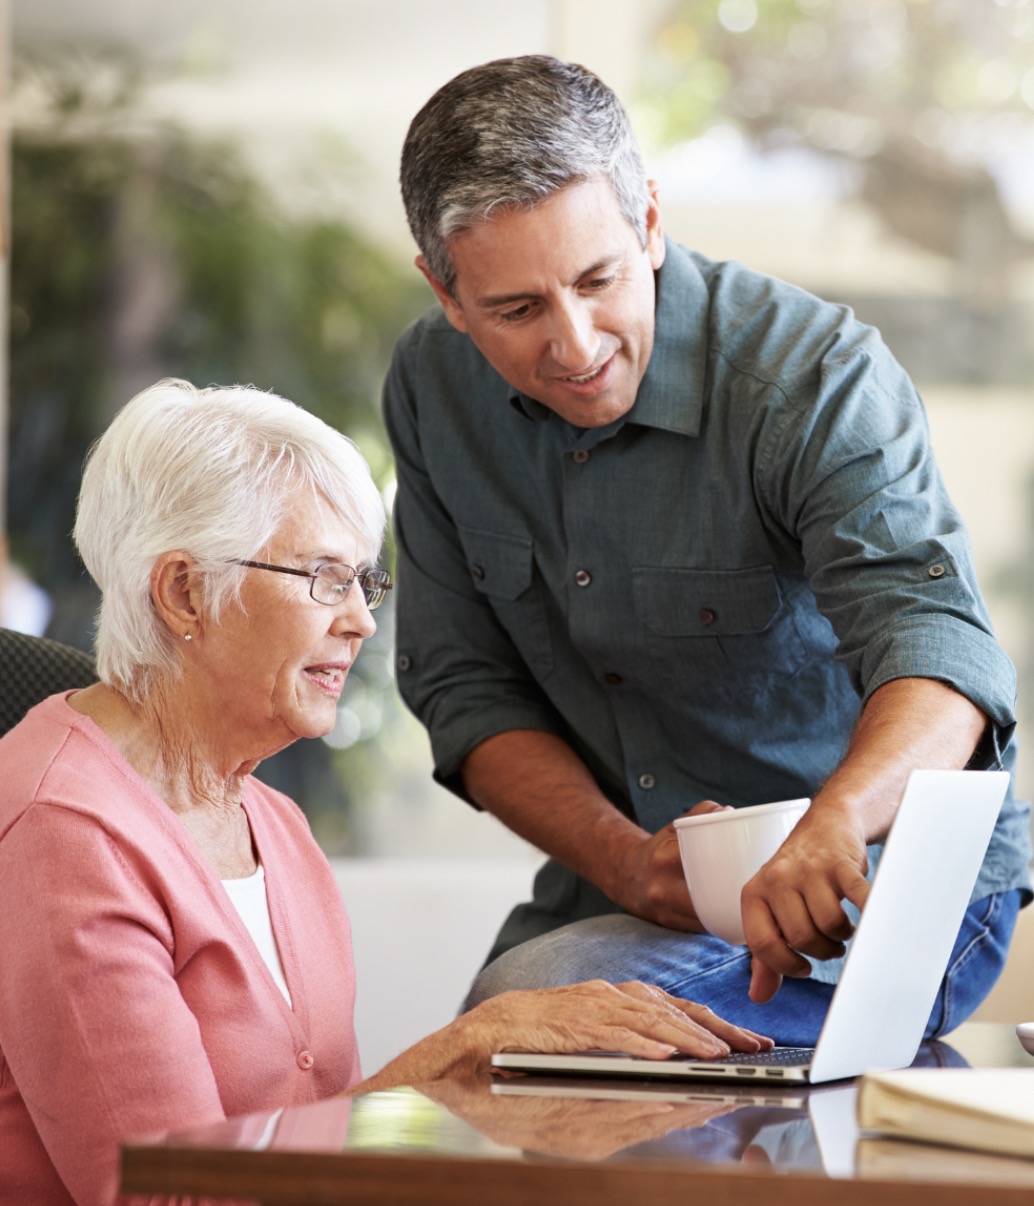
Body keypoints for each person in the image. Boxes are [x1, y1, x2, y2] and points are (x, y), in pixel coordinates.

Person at [384, 54, 1032, 1039]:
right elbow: (464, 690)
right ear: (443, 289)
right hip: (619, 894)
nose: (574, 343)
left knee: (528, 1021)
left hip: (888, 882)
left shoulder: (811, 376)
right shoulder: (431, 388)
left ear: (647, 220)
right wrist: (619, 860)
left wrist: (832, 824)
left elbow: (939, 658)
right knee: (513, 1035)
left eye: (597, 279)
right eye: (515, 310)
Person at [0, 379, 767, 1206]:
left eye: (365, 583)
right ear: (184, 591)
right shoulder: (63, 834)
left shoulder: (270, 820)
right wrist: (459, 1054)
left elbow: (328, 1128)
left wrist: (526, 1097)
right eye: (325, 578)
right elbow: (173, 1199)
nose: (362, 622)